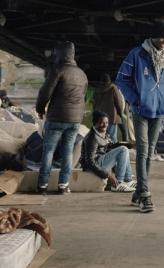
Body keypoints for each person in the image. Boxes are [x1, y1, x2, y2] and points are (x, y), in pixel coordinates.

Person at [116, 19, 164, 213]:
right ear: (152, 37)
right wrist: (135, 100)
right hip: (141, 110)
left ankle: (138, 192)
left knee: (150, 151)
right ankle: (144, 195)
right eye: (161, 37)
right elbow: (122, 79)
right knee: (143, 151)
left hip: (159, 111)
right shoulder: (136, 54)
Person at [35, 41, 88, 195]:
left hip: (57, 117)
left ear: (59, 54)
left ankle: (43, 185)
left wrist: (40, 110)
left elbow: (45, 93)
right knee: (67, 152)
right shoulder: (82, 74)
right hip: (75, 120)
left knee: (49, 151)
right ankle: (63, 186)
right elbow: (82, 97)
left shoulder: (57, 70)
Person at [81, 111, 136, 192]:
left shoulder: (102, 134)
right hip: (93, 166)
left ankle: (127, 180)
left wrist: (130, 145)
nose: (105, 125)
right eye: (101, 123)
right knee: (123, 150)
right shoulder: (92, 138)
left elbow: (111, 145)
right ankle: (119, 183)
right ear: (95, 123)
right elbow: (89, 162)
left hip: (100, 162)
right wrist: (108, 176)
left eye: (106, 123)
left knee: (124, 149)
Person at [92, 74, 124, 142]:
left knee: (100, 136)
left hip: (100, 117)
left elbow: (94, 104)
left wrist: (95, 114)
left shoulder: (97, 90)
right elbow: (119, 103)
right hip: (112, 116)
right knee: (112, 137)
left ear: (101, 81)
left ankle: (102, 151)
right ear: (109, 81)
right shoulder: (113, 88)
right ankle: (113, 151)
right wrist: (120, 114)